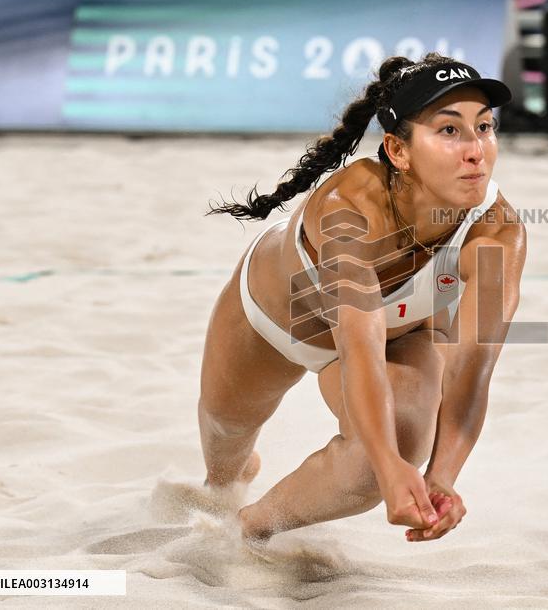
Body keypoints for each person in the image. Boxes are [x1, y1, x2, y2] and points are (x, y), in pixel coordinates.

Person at [201, 53, 527, 543]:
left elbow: (471, 370)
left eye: (484, 127)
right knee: (225, 447)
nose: (476, 150)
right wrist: (389, 465)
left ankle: (247, 532)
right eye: (449, 131)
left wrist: (441, 478)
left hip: (399, 336)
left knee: (384, 460)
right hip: (272, 321)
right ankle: (227, 486)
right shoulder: (349, 209)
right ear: (398, 151)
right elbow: (360, 353)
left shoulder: (498, 230)